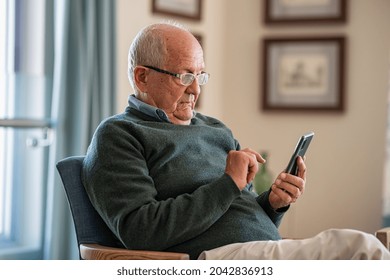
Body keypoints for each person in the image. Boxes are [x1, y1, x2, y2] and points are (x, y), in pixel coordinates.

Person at [82, 22, 390, 260]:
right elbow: (141, 231)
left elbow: (237, 212)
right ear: (142, 77)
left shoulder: (216, 129)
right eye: (185, 77)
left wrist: (272, 203)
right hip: (209, 260)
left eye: (200, 77)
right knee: (360, 248)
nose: (195, 91)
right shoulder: (119, 135)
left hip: (258, 251)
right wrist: (228, 183)